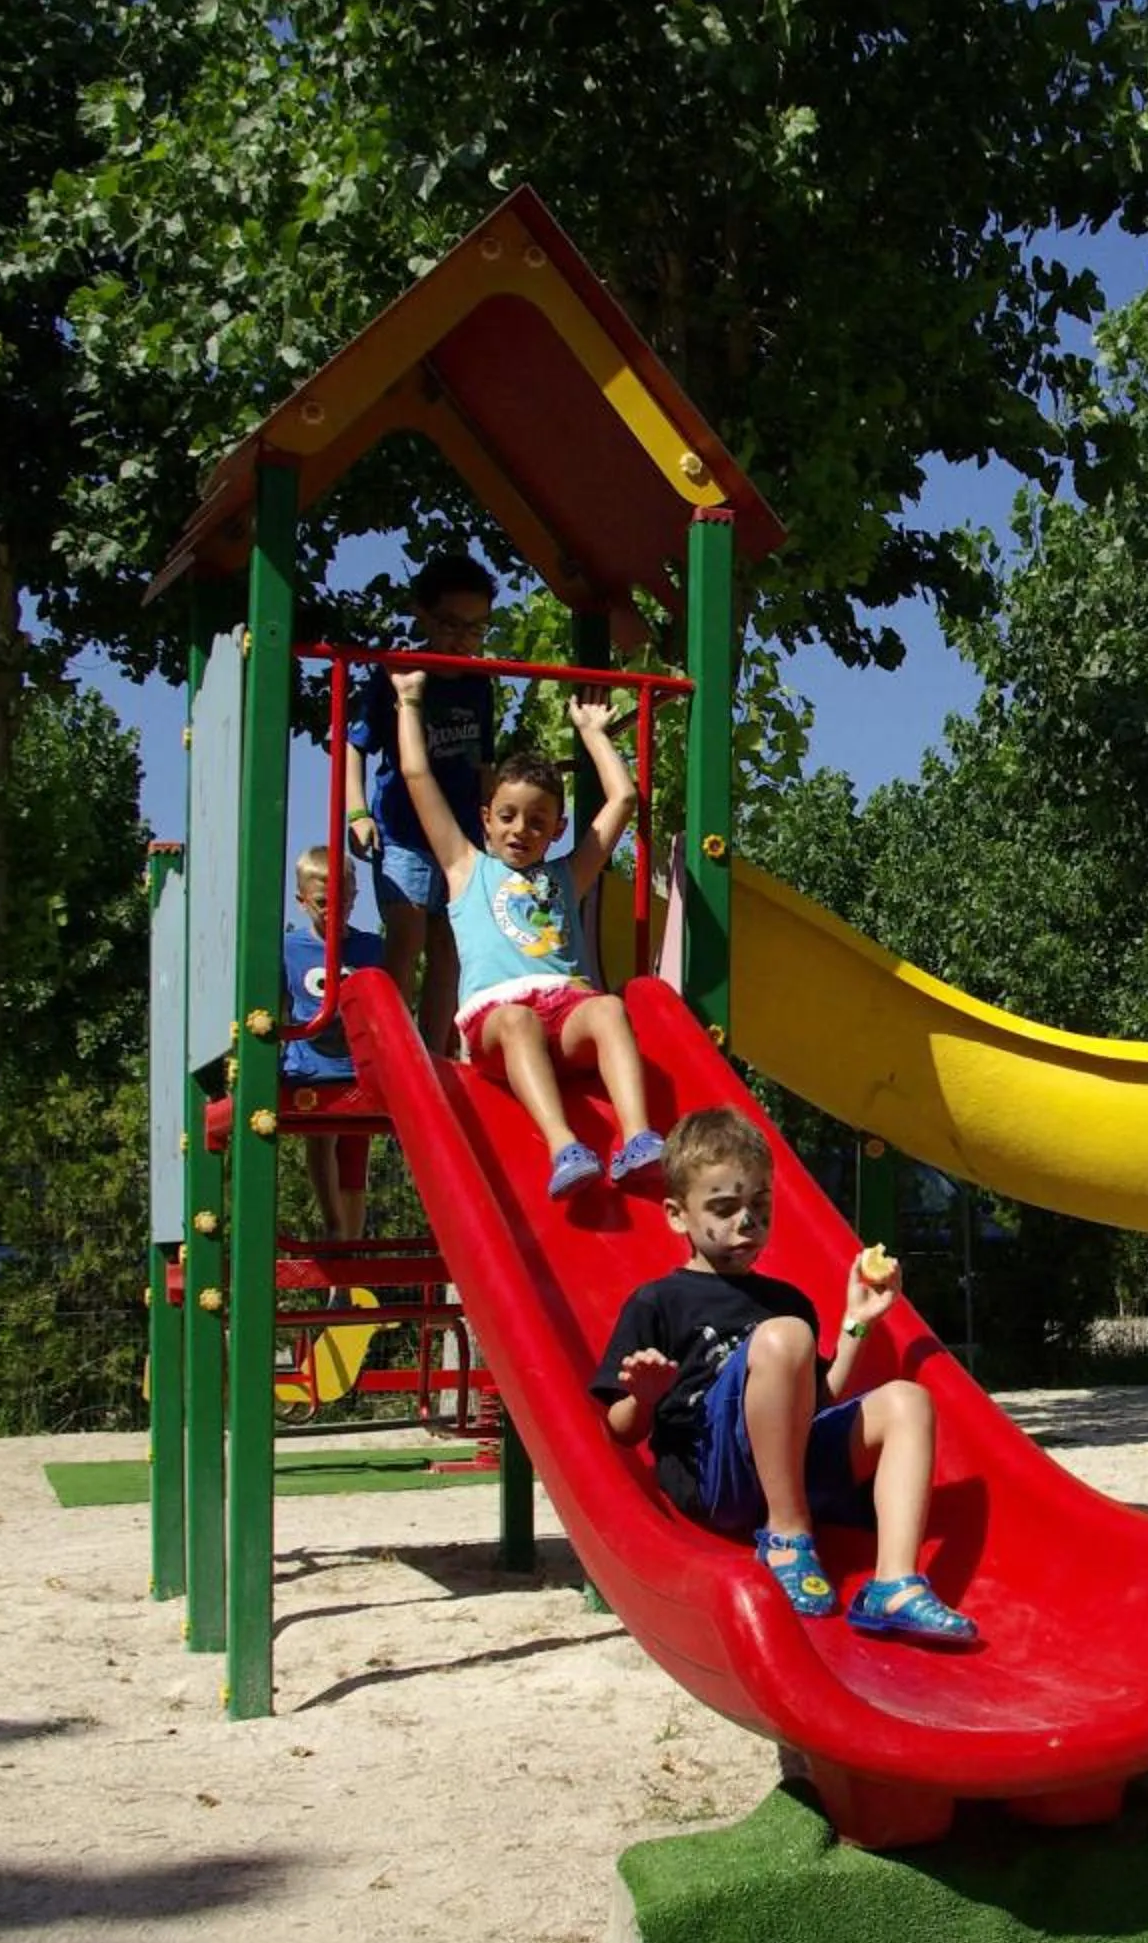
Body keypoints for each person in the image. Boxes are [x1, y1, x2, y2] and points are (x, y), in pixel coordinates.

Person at [593, 1109, 975, 1643]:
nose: (746, 1222)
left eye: (759, 1206)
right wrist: (647, 1399)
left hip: (788, 1466)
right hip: (715, 1474)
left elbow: (817, 1402)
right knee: (785, 1335)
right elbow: (619, 1427)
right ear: (678, 1215)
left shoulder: (785, 1302)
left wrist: (855, 1326)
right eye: (724, 1209)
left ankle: (894, 1584)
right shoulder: (658, 1302)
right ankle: (787, 1536)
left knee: (908, 1400)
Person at [390, 664, 664, 1197]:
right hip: (498, 1022)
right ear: (486, 818)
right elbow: (417, 777)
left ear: (557, 830)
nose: (522, 830)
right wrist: (409, 703)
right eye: (509, 816)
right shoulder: (466, 867)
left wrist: (592, 733)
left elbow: (623, 801)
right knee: (518, 1021)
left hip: (565, 1014)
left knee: (609, 1006)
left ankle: (637, 1139)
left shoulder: (567, 874)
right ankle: (565, 1146)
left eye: (538, 822)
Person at [347, 552, 501, 1054]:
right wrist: (356, 811)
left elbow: (483, 762)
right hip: (405, 828)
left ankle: (433, 1055)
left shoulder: (479, 684)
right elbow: (356, 743)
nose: (463, 639)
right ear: (424, 617)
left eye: (477, 629)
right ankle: (390, 1046)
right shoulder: (399, 673)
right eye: (452, 625)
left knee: (448, 945)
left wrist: (494, 828)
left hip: (458, 836)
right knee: (407, 932)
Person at [281, 844, 385, 1241]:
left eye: (344, 901)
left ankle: (351, 1245)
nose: (335, 910)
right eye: (324, 902)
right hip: (311, 1066)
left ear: (355, 898)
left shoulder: (370, 948)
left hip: (357, 1066)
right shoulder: (291, 949)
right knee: (321, 1134)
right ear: (302, 901)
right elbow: (277, 1005)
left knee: (356, 1150)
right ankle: (334, 1226)